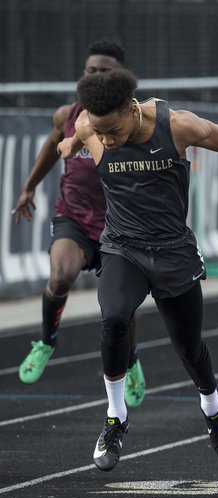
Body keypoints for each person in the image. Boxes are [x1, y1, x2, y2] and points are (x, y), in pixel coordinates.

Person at [57, 68, 218, 471]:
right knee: (114, 321)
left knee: (188, 347)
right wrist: (71, 145)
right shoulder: (91, 123)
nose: (105, 140)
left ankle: (212, 407)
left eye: (113, 131)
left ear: (131, 110)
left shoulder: (177, 126)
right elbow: (78, 137)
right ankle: (115, 418)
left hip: (173, 252)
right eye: (99, 133)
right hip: (122, 247)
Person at [12, 37, 146, 408]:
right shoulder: (66, 115)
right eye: (91, 71)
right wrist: (28, 189)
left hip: (119, 226)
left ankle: (131, 360)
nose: (97, 77)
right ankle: (46, 341)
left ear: (121, 76)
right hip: (73, 215)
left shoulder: (136, 121)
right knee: (60, 277)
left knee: (121, 310)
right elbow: (50, 149)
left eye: (106, 71)